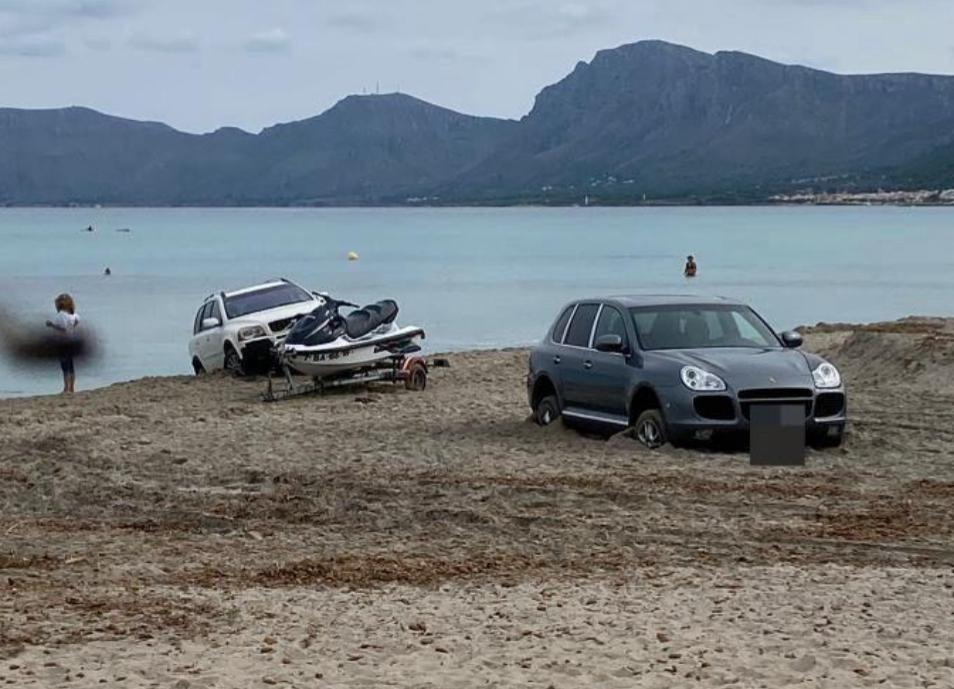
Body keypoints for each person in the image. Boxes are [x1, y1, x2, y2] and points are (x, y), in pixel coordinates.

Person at [45, 293, 80, 394]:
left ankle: (66, 388)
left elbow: (63, 328)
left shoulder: (61, 315)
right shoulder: (73, 315)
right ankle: (72, 388)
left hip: (63, 343)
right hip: (72, 342)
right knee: (71, 366)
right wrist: (72, 328)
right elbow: (77, 320)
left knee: (65, 366)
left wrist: (52, 325)